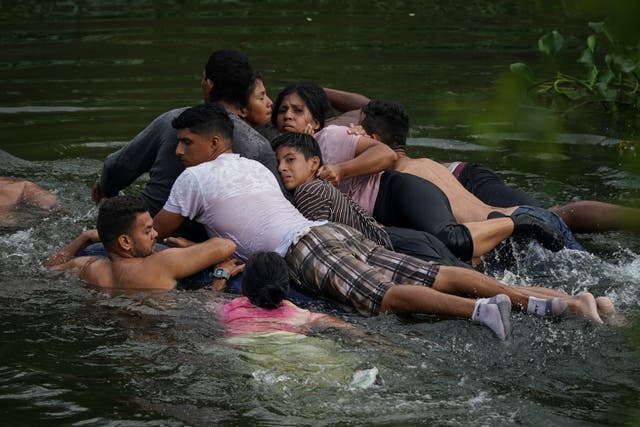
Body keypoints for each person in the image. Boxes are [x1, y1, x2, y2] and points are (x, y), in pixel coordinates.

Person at [152, 103, 607, 342]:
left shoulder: (193, 178)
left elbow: (155, 230)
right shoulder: (255, 168)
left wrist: (101, 233)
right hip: (335, 233)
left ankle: (480, 310)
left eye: (185, 143)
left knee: (384, 298)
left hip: (303, 249)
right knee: (437, 273)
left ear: (213, 143)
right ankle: (564, 303)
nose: (178, 152)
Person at [271, 81, 567, 263]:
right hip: (388, 210)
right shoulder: (286, 151)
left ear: (318, 117)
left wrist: (340, 168)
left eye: (298, 110)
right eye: (282, 110)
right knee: (452, 250)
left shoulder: (332, 135)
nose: (287, 115)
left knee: (451, 238)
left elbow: (384, 148)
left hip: (397, 190)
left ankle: (521, 222)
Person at [91, 49, 280, 242]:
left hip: (145, 236)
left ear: (208, 85)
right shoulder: (260, 147)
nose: (179, 150)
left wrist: (106, 194)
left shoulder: (173, 122)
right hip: (212, 247)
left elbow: (116, 168)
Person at [358, 99, 586, 251]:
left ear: (375, 140)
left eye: (357, 132)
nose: (353, 135)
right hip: (537, 216)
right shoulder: (431, 164)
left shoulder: (401, 181)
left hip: (501, 235)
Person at [272, 132, 468, 267]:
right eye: (278, 161)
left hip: (398, 248)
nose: (281, 168)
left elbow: (320, 250)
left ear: (314, 162)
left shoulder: (307, 192)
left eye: (290, 160)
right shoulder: (322, 186)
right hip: (406, 240)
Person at [44, 195, 242, 290]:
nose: (156, 234)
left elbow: (48, 268)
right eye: (148, 231)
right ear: (125, 242)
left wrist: (85, 237)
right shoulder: (160, 264)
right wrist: (190, 246)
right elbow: (225, 246)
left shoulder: (87, 267)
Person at [219, 251, 355, 337]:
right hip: (291, 344)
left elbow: (210, 301)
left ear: (243, 288)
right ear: (286, 288)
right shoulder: (299, 315)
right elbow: (336, 324)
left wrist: (220, 277)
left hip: (245, 345)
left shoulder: (230, 309)